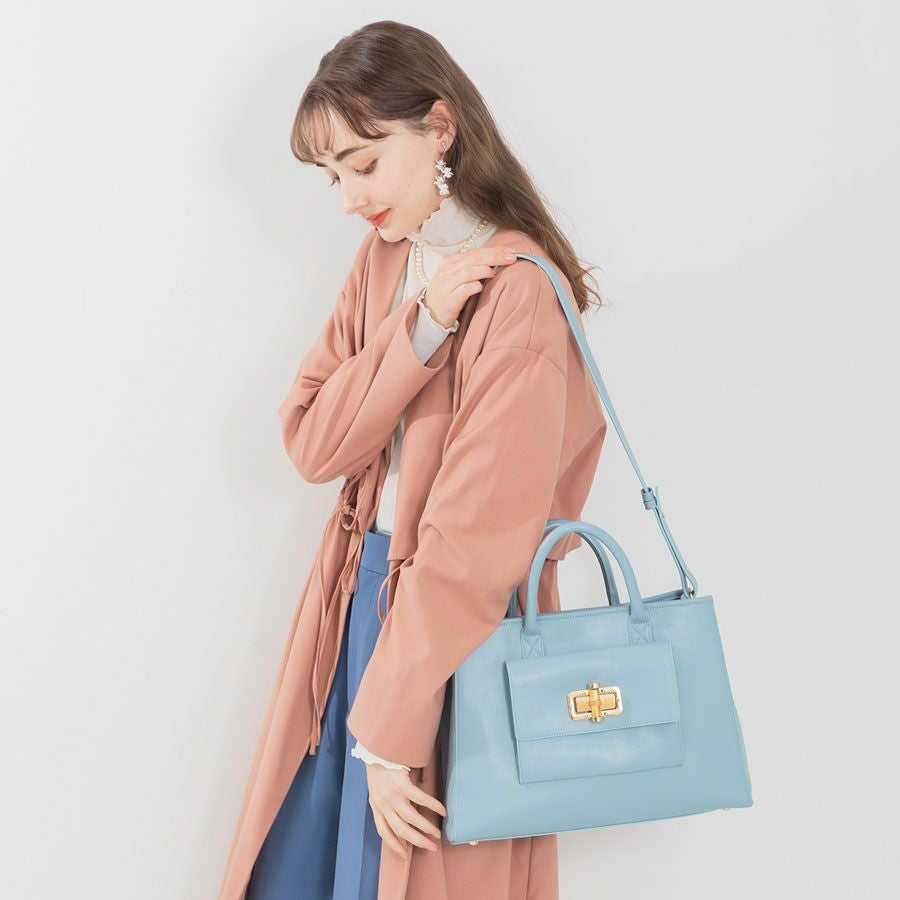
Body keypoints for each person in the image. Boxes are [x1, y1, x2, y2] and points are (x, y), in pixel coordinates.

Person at [218, 19, 607, 900]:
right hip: (354, 607)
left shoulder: (520, 292)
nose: (348, 199)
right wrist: (421, 330)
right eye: (334, 176)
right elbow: (313, 441)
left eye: (363, 163)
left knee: (409, 873)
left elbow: (478, 540)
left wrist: (391, 734)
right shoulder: (387, 262)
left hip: (452, 640)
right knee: (306, 869)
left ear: (439, 126)